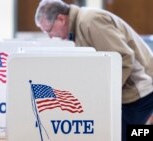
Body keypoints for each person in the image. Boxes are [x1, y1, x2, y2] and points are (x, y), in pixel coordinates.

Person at [35, 0, 153, 141]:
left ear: (61, 19)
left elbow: (123, 58)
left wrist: (104, 97)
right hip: (129, 91)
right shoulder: (79, 25)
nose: (51, 36)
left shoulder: (90, 21)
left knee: (121, 135)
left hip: (140, 89)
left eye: (49, 30)